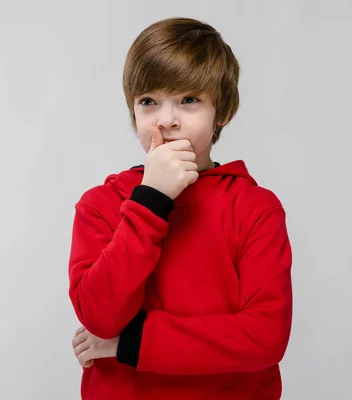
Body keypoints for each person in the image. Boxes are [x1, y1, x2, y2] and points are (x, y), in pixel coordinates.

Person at [68, 16, 293, 400]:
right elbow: (101, 318)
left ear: (221, 112)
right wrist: (151, 199)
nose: (167, 120)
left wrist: (131, 342)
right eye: (148, 102)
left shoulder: (256, 208)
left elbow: (265, 337)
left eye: (189, 100)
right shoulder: (102, 204)